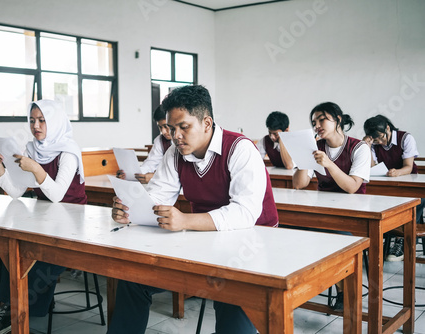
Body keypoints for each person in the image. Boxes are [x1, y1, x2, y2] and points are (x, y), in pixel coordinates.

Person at [108, 85, 278, 334]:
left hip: (253, 243)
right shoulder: (175, 154)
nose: (175, 136)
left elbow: (244, 213)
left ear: (207, 123)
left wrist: (185, 221)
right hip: (204, 240)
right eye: (170, 128)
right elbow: (157, 196)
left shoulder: (240, 149)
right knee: (133, 278)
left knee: (231, 293)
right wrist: (130, 209)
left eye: (183, 127)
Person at [0, 100, 87, 334]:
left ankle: (8, 310)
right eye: (32, 121)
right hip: (45, 218)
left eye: (42, 120)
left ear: (56, 122)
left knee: (29, 254)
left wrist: (36, 169)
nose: (36, 126)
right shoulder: (33, 149)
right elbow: (18, 191)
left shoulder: (68, 151)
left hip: (71, 222)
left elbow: (58, 195)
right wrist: (0, 169)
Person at [292, 102, 371, 311]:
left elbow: (353, 187)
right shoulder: (315, 148)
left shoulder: (359, 147)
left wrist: (328, 164)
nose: (317, 125)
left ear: (338, 119)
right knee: (290, 228)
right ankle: (297, 287)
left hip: (354, 212)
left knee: (334, 235)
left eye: (322, 119)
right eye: (314, 122)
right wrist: (302, 158)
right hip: (323, 209)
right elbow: (299, 184)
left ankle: (344, 291)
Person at [363, 114, 423, 261]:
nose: (381, 142)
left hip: (410, 184)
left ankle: (401, 239)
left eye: (382, 138)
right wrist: (368, 146)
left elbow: (408, 167)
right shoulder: (374, 143)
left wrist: (397, 172)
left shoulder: (405, 138)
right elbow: (372, 167)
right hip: (389, 184)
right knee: (373, 201)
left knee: (414, 203)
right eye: (376, 140)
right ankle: (381, 237)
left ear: (388, 128)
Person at [116, 105, 172, 184]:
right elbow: (150, 164)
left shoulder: (186, 141)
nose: (163, 131)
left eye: (166, 127)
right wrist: (129, 174)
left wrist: (155, 177)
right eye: (160, 127)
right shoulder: (160, 140)